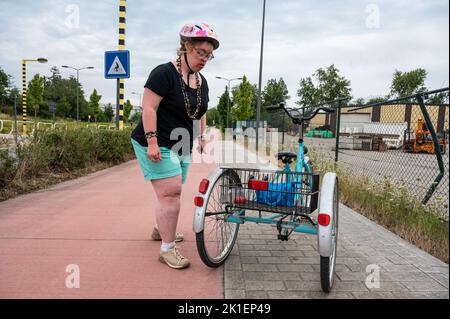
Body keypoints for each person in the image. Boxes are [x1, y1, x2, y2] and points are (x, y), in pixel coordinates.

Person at [131, 23, 219, 269]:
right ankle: (167, 249)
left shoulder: (201, 82)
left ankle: (161, 229)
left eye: (208, 54)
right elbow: (149, 107)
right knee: (170, 193)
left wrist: (201, 136)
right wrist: (151, 142)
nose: (204, 59)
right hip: (155, 140)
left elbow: (201, 111)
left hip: (181, 142)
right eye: (200, 52)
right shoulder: (164, 73)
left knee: (171, 189)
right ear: (186, 47)